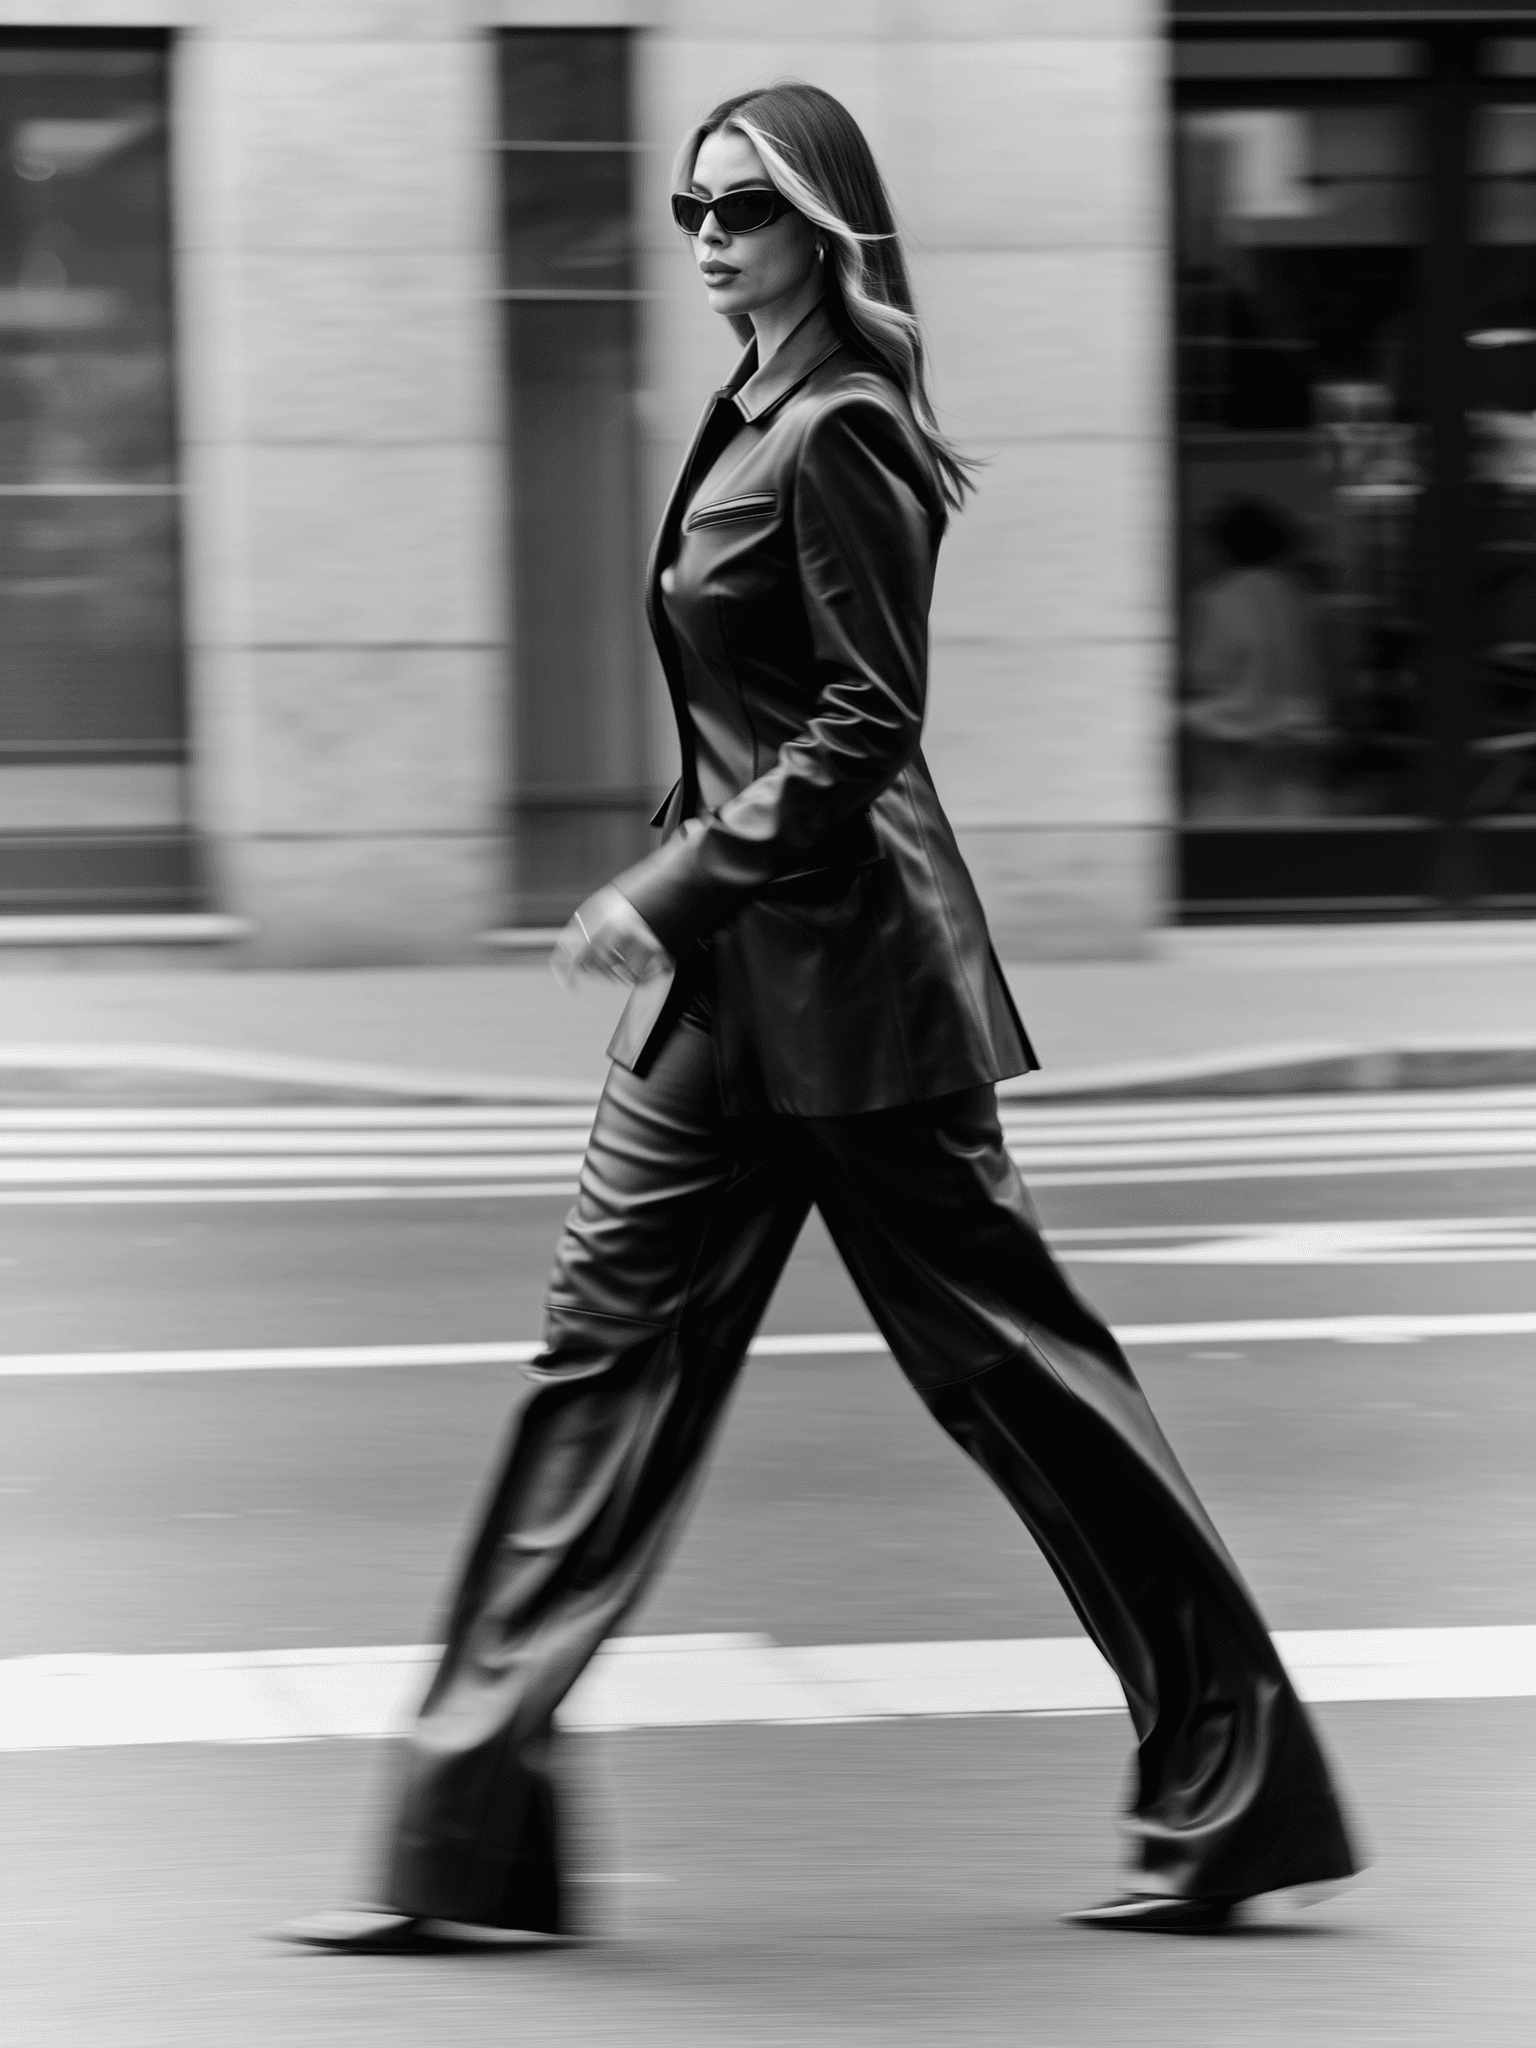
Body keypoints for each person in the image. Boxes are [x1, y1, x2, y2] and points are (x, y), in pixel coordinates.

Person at [282, 81, 1358, 1953]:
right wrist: (687, 886)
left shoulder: (842, 421)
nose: (706, 232)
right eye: (689, 203)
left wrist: (659, 884)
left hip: (851, 995)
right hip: (733, 999)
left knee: (1022, 1385)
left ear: (822, 229)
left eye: (743, 207)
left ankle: (1242, 1781)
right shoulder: (752, 402)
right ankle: (467, 1834)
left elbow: (866, 720)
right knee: (595, 1364)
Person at [1184, 498, 1335, 820]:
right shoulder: (1295, 595)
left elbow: (1206, 674)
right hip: (1294, 748)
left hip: (1235, 752)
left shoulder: (1217, 598)